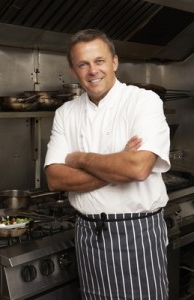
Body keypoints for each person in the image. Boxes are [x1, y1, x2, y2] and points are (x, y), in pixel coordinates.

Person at [44, 29, 170, 300]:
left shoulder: (144, 101)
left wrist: (79, 159)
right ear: (73, 71)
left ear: (114, 62)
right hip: (88, 234)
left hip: (137, 233)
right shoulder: (65, 113)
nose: (92, 71)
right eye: (83, 64)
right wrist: (117, 165)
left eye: (99, 61)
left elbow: (137, 169)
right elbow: (55, 178)